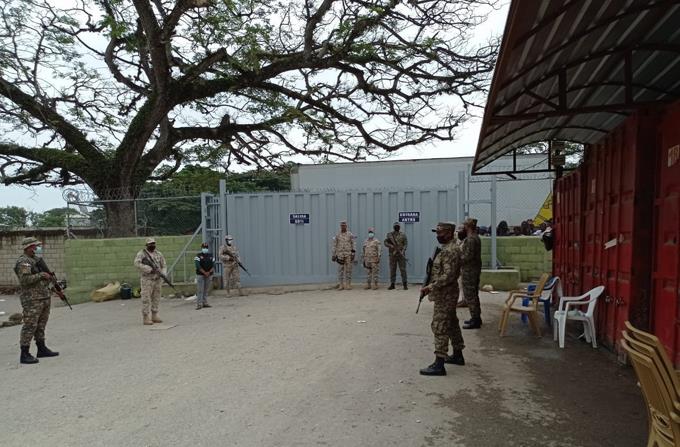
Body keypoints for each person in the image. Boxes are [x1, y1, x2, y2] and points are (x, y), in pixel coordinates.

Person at [419, 222, 465, 376]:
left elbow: (448, 276)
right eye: (437, 232)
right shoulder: (445, 248)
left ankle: (439, 364)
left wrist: (430, 287)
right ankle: (458, 354)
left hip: (446, 294)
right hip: (445, 293)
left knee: (439, 325)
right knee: (451, 323)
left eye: (441, 233)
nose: (438, 235)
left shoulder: (451, 250)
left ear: (450, 233)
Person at [14, 236, 59, 364]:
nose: (36, 248)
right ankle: (25, 353)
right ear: (28, 247)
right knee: (30, 325)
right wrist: (41, 275)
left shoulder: (36, 260)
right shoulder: (24, 262)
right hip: (32, 299)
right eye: (34, 246)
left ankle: (41, 348)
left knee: (41, 325)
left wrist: (50, 278)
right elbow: (24, 280)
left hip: (43, 296)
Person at [134, 238, 167, 325]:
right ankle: (146, 317)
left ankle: (154, 315)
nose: (152, 245)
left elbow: (164, 265)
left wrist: (163, 274)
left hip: (157, 279)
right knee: (146, 298)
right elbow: (137, 264)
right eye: (150, 244)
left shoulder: (158, 254)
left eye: (153, 243)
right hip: (147, 280)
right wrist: (148, 269)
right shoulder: (141, 254)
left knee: (156, 298)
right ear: (147, 245)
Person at [460, 218, 483, 329]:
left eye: (464, 226)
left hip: (470, 270)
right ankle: (476, 317)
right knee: (473, 294)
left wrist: (457, 258)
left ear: (468, 226)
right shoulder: (475, 237)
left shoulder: (470, 239)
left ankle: (475, 319)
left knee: (470, 295)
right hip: (474, 269)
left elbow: (467, 256)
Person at [331, 220, 356, 290]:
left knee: (348, 270)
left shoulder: (350, 234)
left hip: (348, 255)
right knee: (340, 270)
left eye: (344, 225)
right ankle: (341, 285)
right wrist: (333, 254)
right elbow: (334, 245)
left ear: (346, 226)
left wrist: (353, 253)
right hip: (340, 255)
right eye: (342, 226)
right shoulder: (337, 235)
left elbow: (353, 243)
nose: (343, 227)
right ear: (340, 226)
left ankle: (348, 284)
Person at [384, 221, 408, 290]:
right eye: (395, 226)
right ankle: (392, 284)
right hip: (392, 255)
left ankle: (405, 284)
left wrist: (403, 251)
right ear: (394, 227)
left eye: (398, 226)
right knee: (392, 270)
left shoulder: (403, 235)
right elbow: (385, 242)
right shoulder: (390, 235)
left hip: (401, 255)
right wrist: (391, 246)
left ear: (399, 227)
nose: (397, 227)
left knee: (403, 270)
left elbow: (405, 244)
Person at [194, 242, 214, 310]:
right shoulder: (198, 256)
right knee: (200, 290)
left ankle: (205, 302)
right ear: (202, 248)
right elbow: (197, 266)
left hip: (209, 275)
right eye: (204, 248)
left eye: (206, 248)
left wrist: (208, 272)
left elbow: (213, 265)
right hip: (200, 275)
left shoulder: (211, 256)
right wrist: (204, 272)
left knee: (206, 289)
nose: (205, 249)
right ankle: (199, 304)